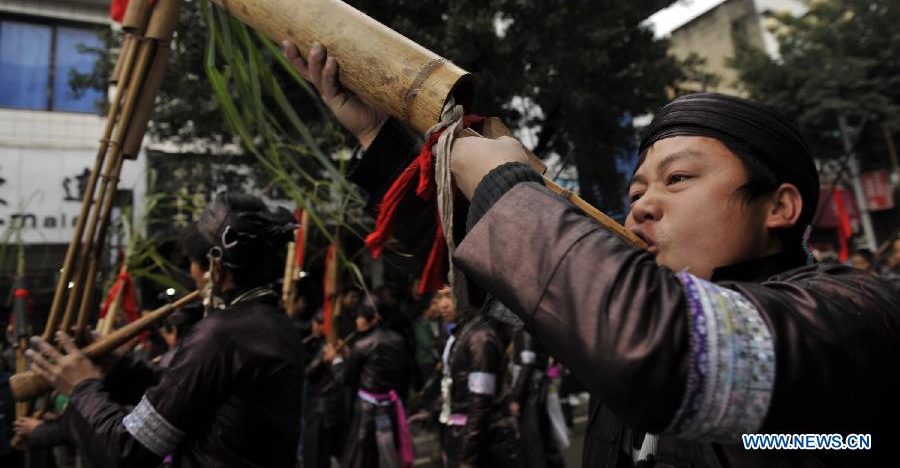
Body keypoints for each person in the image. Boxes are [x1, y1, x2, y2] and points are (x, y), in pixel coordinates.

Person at [284, 40, 900, 467]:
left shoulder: (854, 314)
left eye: (677, 179)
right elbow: (509, 268)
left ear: (780, 207)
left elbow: (664, 349)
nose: (641, 207)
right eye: (636, 191)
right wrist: (376, 134)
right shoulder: (625, 306)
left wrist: (508, 188)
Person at [25, 192, 305, 467]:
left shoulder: (221, 334)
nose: (192, 273)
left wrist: (80, 388)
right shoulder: (277, 325)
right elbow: (187, 391)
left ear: (215, 269)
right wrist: (118, 367)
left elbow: (129, 450)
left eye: (193, 264)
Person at [434, 289, 518, 468]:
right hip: (464, 436)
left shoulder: (479, 338)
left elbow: (481, 402)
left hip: (485, 443)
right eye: (439, 297)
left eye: (449, 295)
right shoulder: (460, 333)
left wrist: (468, 457)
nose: (443, 304)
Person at [330, 294, 412, 468]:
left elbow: (345, 378)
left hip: (367, 410)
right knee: (389, 454)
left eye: (362, 317)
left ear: (374, 319)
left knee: (363, 456)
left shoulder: (363, 344)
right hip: (391, 404)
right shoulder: (398, 340)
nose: (358, 321)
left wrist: (336, 361)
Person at [511, 329, 566, 468]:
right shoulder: (534, 327)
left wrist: (517, 398)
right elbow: (557, 366)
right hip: (539, 393)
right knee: (546, 442)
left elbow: (528, 363)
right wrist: (548, 378)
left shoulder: (526, 329)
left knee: (537, 445)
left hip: (532, 396)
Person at [302, 309, 347, 468]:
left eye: (319, 324)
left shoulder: (329, 347)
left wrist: (323, 359)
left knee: (317, 454)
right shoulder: (318, 342)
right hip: (325, 406)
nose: (315, 327)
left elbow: (308, 373)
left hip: (321, 409)